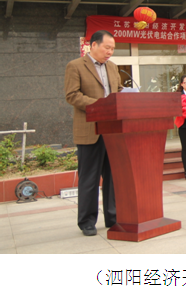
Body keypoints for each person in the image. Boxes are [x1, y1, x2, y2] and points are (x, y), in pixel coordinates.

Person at [64, 30, 122, 236]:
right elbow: (72, 95)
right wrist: (101, 105)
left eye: (112, 49)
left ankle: (113, 217)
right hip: (89, 130)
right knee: (89, 178)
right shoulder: (75, 66)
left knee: (113, 177)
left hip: (112, 131)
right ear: (94, 45)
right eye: (107, 47)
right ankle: (87, 221)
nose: (110, 52)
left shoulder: (113, 67)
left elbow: (118, 91)